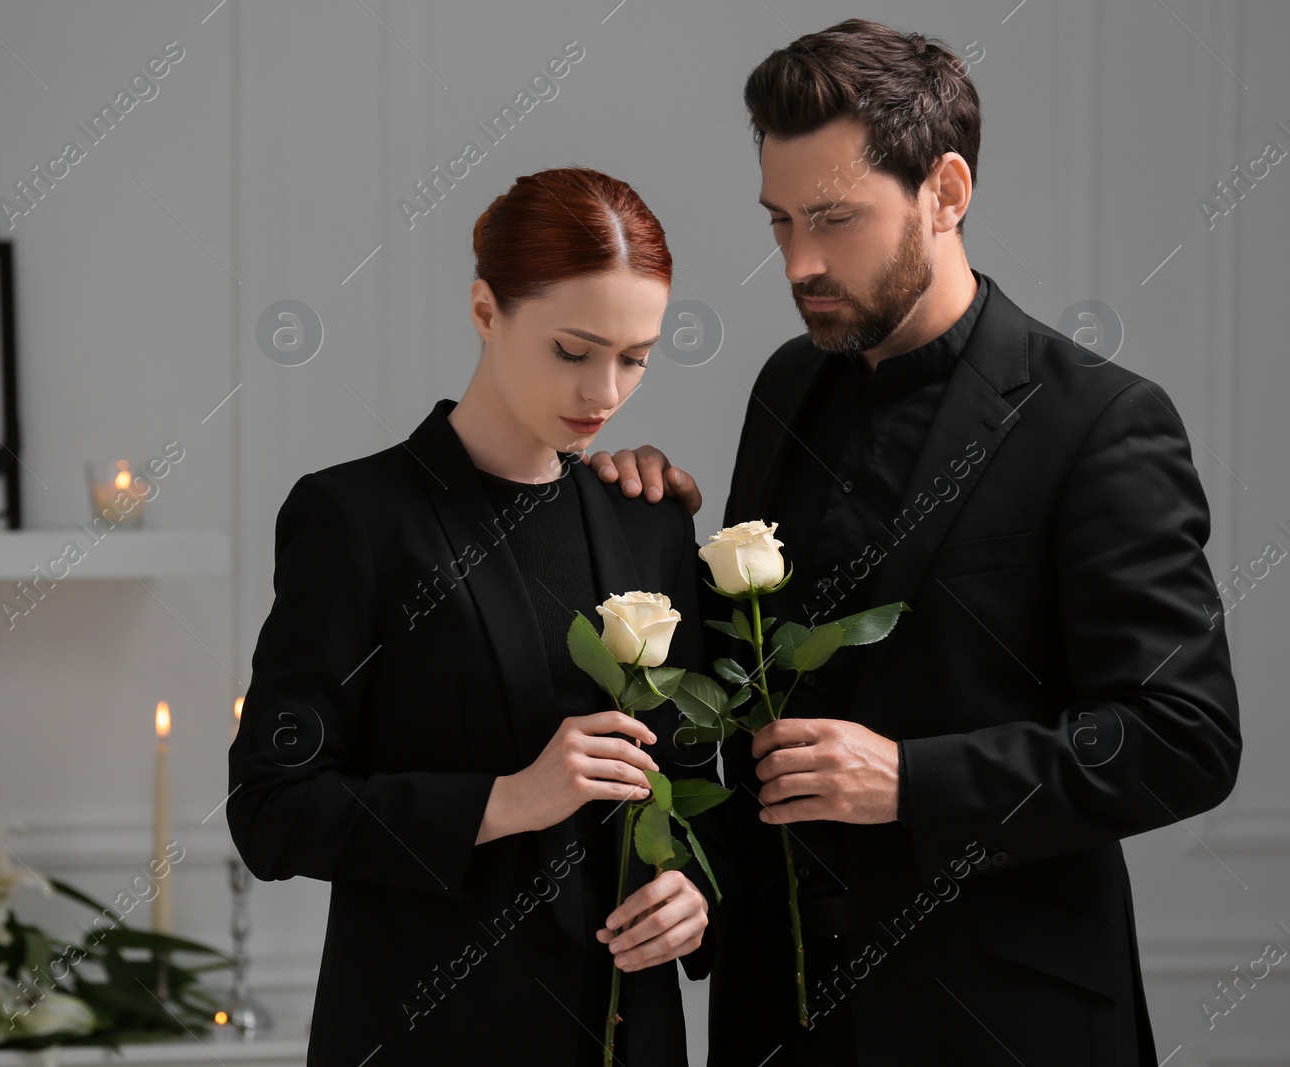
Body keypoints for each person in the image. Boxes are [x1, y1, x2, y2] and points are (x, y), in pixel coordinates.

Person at [588, 19, 1241, 1067]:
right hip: (778, 1015)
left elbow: (1182, 736)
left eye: (835, 219)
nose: (799, 262)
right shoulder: (785, 385)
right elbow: (733, 674)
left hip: (1002, 1021)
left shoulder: (1101, 420)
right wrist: (642, 516)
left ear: (945, 190)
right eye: (780, 221)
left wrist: (911, 779)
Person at [227, 166, 725, 1065]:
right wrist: (505, 801)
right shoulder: (358, 519)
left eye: (635, 357)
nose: (604, 393)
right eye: (573, 351)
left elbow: (696, 789)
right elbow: (270, 807)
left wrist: (695, 892)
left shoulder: (651, 521)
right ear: (486, 308)